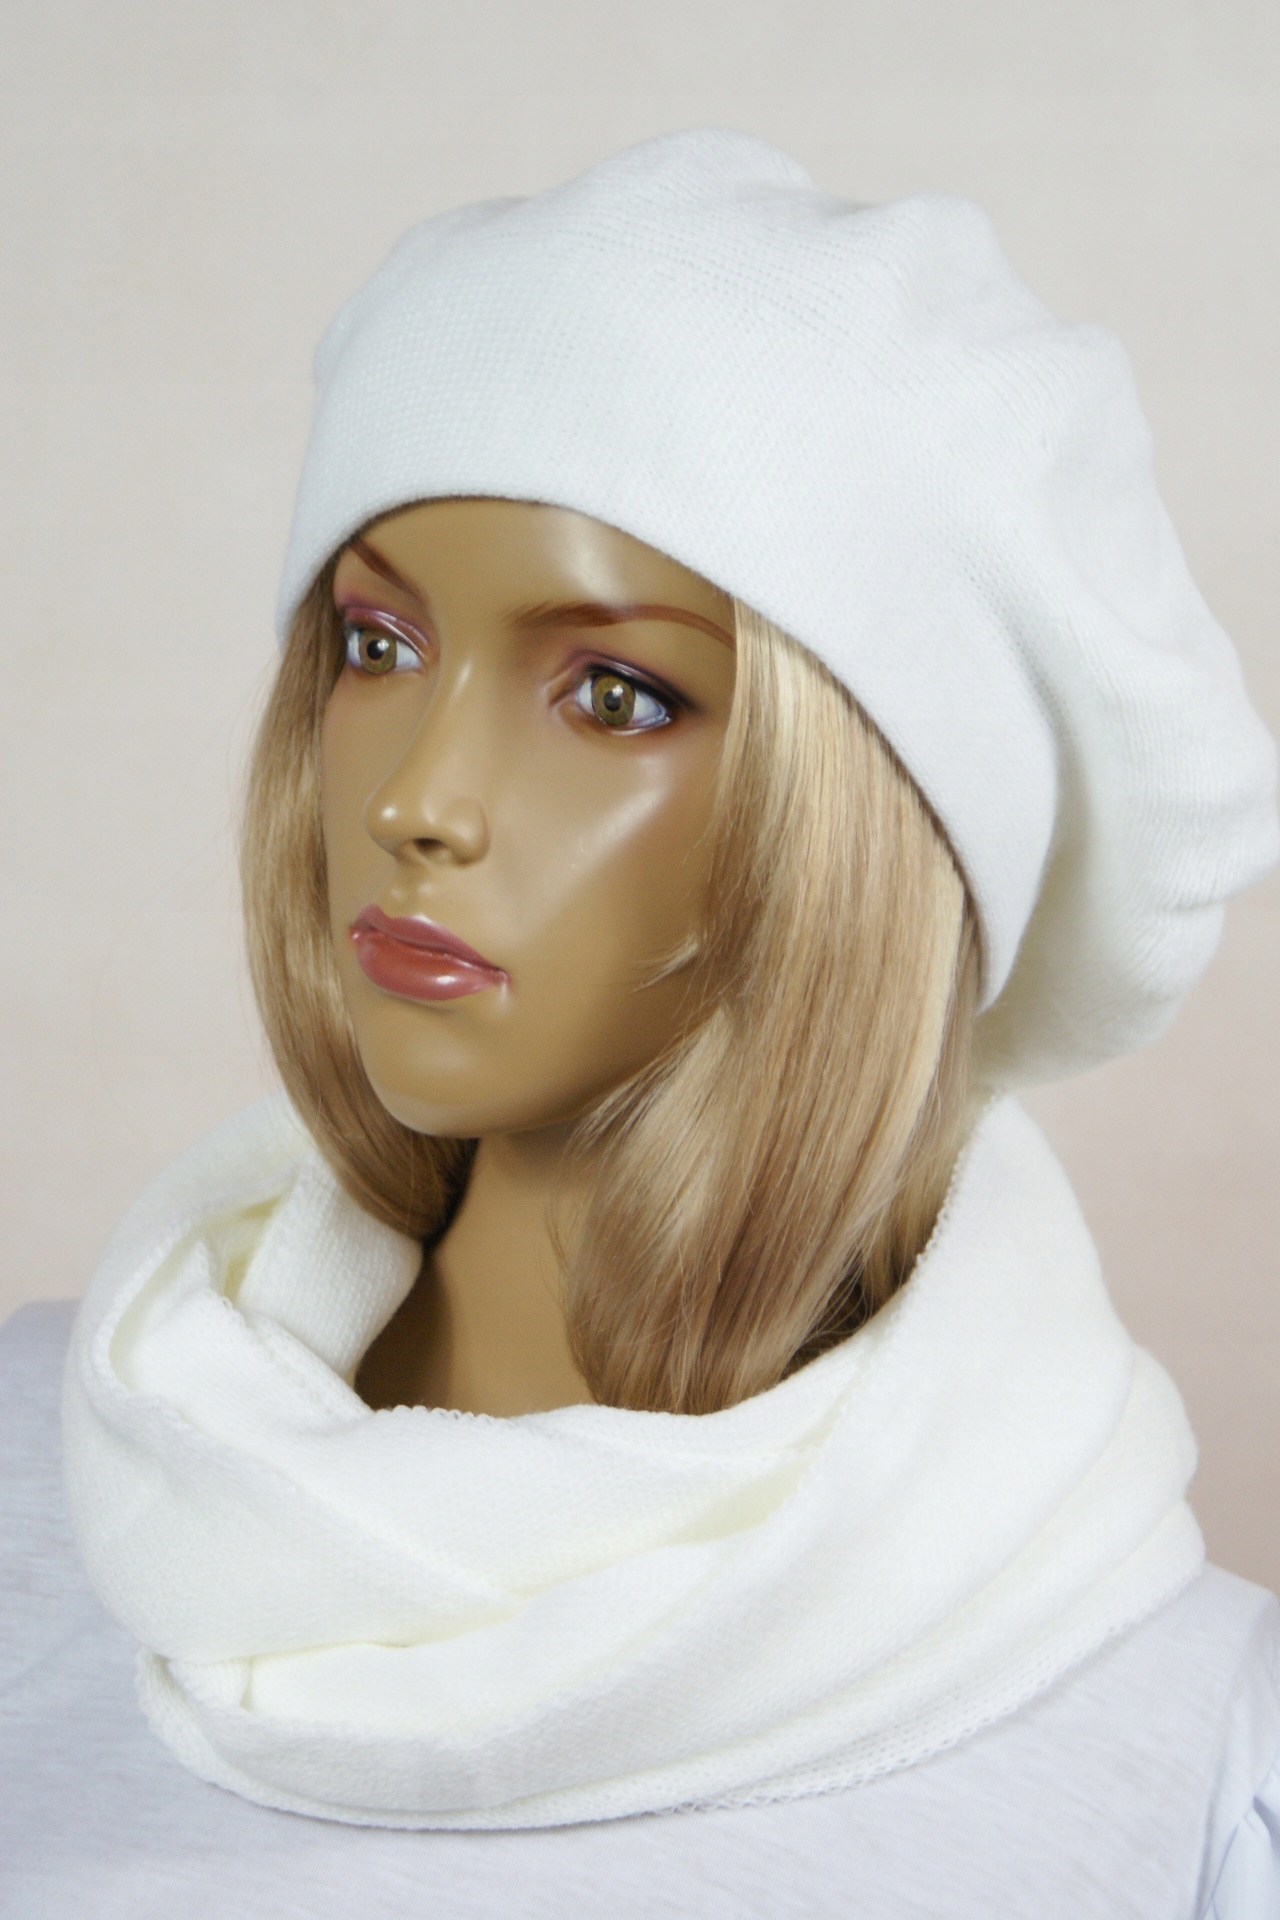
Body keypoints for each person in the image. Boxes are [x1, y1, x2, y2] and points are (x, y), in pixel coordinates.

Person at [7, 130, 1278, 1915]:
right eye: (377, 647)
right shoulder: (44, 1459)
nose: (418, 798)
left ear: (858, 828)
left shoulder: (1192, 1736)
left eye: (613, 695)